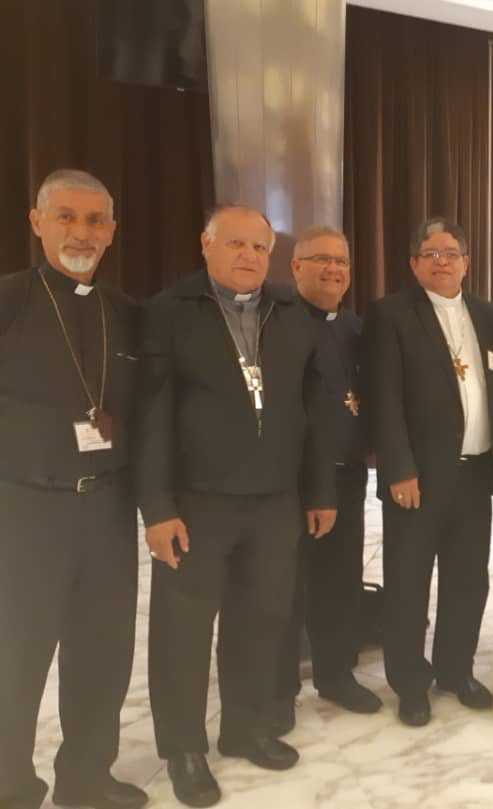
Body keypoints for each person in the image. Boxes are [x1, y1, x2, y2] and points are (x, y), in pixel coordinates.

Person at [137, 205, 337, 806]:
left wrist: (320, 490)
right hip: (198, 503)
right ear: (206, 245)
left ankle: (243, 728)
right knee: (184, 631)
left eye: (258, 246)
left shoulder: (290, 312)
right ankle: (184, 749)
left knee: (262, 621)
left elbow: (315, 410)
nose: (248, 255)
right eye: (235, 244)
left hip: (275, 500)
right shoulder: (169, 312)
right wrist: (157, 507)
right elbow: (151, 416)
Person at [0, 169, 146, 809]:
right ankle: (8, 785)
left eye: (94, 220)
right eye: (65, 217)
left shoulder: (129, 315)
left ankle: (86, 779)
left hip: (108, 510)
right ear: (36, 223)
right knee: (15, 663)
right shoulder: (7, 302)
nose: (80, 232)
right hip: (25, 512)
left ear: (112, 232)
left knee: (102, 656)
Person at [372, 217, 493, 727]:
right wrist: (399, 470)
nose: (441, 260)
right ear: (413, 263)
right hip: (418, 479)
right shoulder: (392, 314)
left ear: (467, 262)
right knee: (407, 583)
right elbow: (385, 399)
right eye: (430, 253)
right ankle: (410, 682)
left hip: (474, 477)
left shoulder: (490, 317)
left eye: (451, 252)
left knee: (468, 581)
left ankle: (456, 669)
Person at [271, 226, 380, 735]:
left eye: (342, 261)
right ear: (295, 268)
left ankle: (336, 674)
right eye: (321, 260)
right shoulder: (278, 324)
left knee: (340, 582)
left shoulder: (356, 326)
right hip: (294, 482)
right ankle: (279, 690)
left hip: (348, 479)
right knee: (289, 586)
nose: (334, 270)